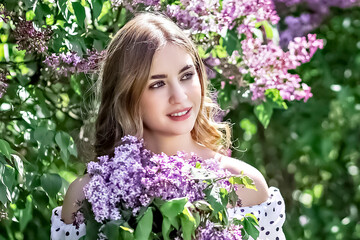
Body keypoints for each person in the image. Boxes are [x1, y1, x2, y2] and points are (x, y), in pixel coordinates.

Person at [51, 12, 285, 240]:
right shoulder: (87, 196)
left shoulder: (244, 185)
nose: (180, 97)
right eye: (157, 84)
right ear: (126, 95)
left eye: (186, 76)